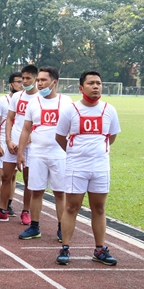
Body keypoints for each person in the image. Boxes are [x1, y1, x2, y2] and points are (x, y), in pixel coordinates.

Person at [55, 70, 120, 266]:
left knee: (99, 208)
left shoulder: (109, 110)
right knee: (71, 206)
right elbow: (60, 136)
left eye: (98, 83)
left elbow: (112, 136)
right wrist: (76, 153)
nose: (96, 87)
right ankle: (65, 247)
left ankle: (100, 249)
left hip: (100, 166)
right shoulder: (71, 110)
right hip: (77, 166)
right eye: (91, 83)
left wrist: (97, 150)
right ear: (81, 87)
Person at [16, 66, 71, 242]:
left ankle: (62, 227)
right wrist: (20, 153)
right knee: (36, 191)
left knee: (59, 193)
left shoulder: (66, 102)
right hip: (37, 154)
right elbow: (26, 129)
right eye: (38, 80)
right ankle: (34, 226)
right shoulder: (34, 103)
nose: (39, 84)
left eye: (43, 80)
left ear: (54, 82)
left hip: (59, 155)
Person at [0, 65, 37, 223]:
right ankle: (2, 210)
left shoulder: (39, 98)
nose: (24, 82)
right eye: (22, 79)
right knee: (6, 176)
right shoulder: (17, 97)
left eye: (28, 79)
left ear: (35, 79)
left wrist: (27, 141)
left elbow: (37, 124)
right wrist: (7, 140)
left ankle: (26, 211)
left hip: (30, 144)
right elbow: (9, 121)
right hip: (12, 142)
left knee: (28, 179)